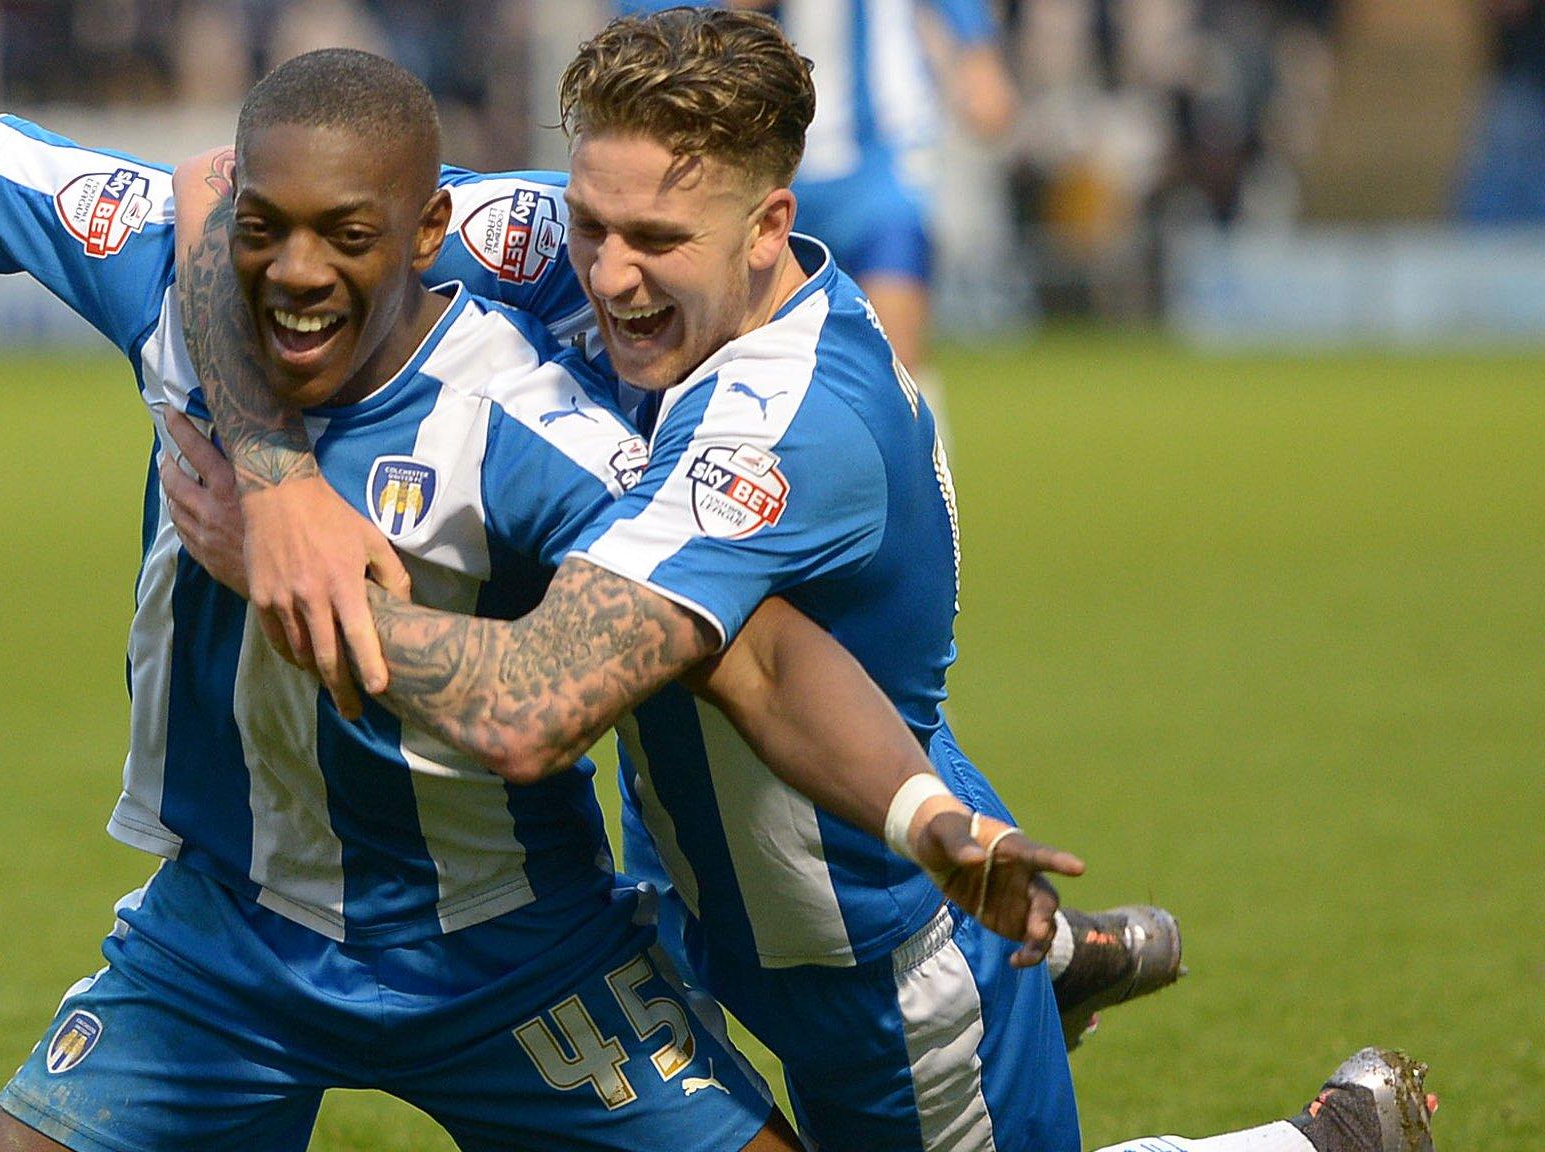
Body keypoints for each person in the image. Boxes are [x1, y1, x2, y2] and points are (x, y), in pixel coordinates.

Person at [0, 4, 1084, 1150]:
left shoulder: (546, 426)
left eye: (346, 238)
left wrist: (919, 810)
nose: (297, 271)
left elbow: (736, 657)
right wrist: (272, 458)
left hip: (519, 956)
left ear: (424, 236)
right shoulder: (196, 274)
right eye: (265, 228)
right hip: (219, 938)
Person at [177, 9, 1437, 1152]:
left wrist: (276, 554)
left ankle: (1322, 1136)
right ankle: (1061, 960)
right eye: (589, 222)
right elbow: (209, 198)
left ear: (769, 226)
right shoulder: (597, 232)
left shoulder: (784, 430)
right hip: (686, 900)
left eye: (653, 241)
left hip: (860, 953)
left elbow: (532, 703)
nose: (603, 274)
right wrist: (281, 470)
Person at [619, 0, 1018, 446]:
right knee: (735, 359)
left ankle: (916, 501)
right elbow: (647, 24)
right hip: (757, 167)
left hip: (879, 160)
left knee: (891, 366)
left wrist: (976, 50)